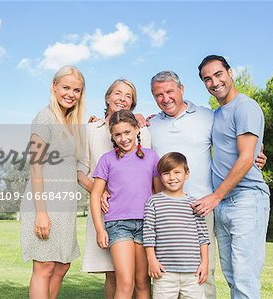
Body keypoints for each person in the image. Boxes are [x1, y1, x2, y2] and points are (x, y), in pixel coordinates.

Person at [147, 70, 267, 299]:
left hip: (203, 207)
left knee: (204, 274)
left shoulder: (208, 116)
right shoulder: (150, 125)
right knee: (166, 277)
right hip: (166, 210)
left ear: (181, 90)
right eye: (158, 95)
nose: (165, 98)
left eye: (170, 91)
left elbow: (233, 143)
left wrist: (258, 155)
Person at [194, 55, 270, 299]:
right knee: (232, 275)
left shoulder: (245, 106)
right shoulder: (217, 115)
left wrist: (216, 196)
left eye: (218, 74)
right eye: (207, 79)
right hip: (224, 204)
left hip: (246, 199)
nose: (214, 82)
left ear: (230, 73)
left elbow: (247, 158)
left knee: (245, 277)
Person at [77, 79, 151, 299]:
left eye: (128, 96)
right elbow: (80, 171)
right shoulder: (91, 129)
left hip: (138, 212)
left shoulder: (143, 132)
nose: (122, 98)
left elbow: (145, 168)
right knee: (113, 274)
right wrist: (99, 192)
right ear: (107, 97)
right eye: (118, 93)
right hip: (107, 213)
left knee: (141, 277)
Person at [20, 65, 85, 299]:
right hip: (44, 203)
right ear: (54, 87)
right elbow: (35, 169)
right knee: (44, 267)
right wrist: (41, 213)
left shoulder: (72, 122)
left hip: (64, 205)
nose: (70, 94)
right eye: (65, 87)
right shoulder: (45, 117)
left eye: (76, 90)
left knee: (61, 265)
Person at [90, 110, 163, 299]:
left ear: (137, 129)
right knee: (125, 282)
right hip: (118, 225)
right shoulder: (107, 160)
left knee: (142, 281)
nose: (123, 138)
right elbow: (95, 195)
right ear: (112, 136)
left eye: (127, 132)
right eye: (118, 134)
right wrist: (100, 229)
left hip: (146, 225)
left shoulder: (152, 157)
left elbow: (159, 194)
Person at [144, 152, 210, 299]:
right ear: (160, 177)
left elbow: (203, 237)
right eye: (166, 173)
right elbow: (148, 234)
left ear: (186, 174)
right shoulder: (153, 202)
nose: (172, 177)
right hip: (165, 273)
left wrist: (205, 263)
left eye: (177, 172)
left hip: (193, 273)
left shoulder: (194, 204)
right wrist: (152, 260)